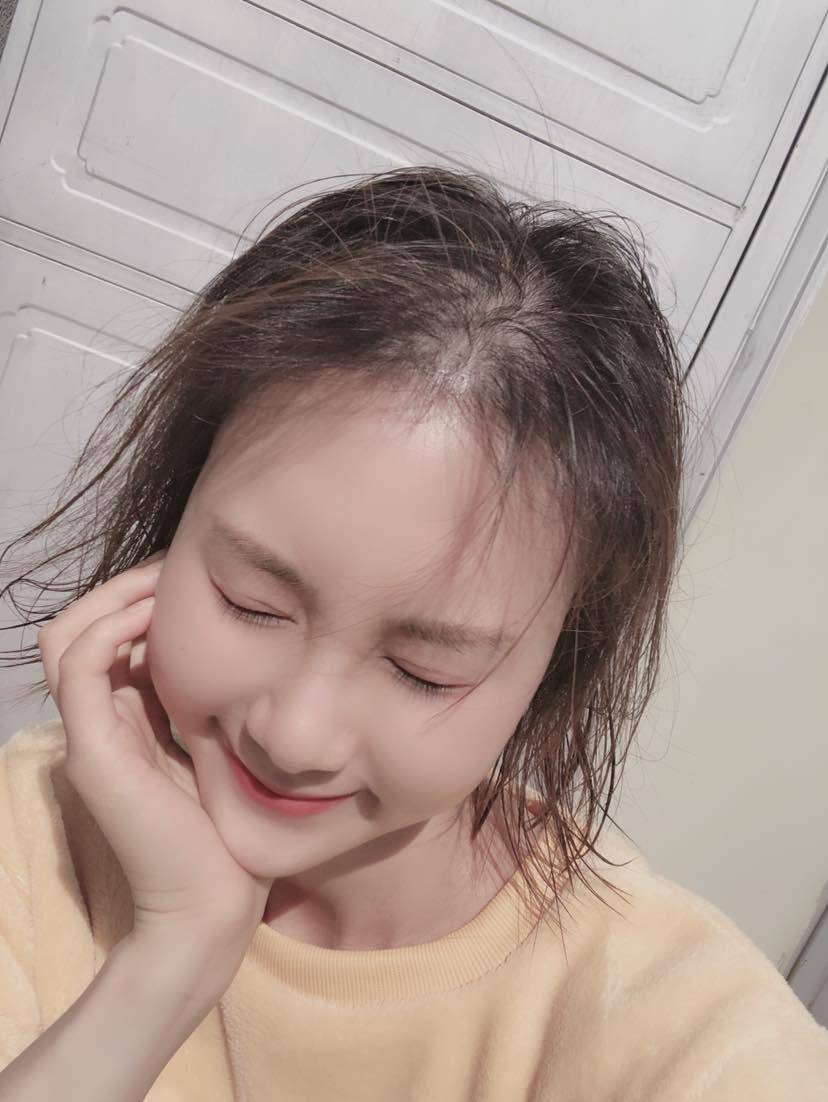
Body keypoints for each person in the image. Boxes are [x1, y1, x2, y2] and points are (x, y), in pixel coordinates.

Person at [0, 165, 825, 1101]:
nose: (295, 736)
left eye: (426, 671)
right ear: (174, 527)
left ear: (557, 665)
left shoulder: (685, 1030)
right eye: (249, 602)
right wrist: (171, 963)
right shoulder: (38, 828)